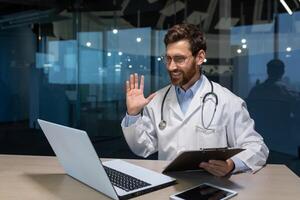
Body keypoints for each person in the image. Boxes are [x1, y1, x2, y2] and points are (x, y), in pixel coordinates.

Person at [121, 24, 269, 177]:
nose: (171, 67)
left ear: (200, 57)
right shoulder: (157, 100)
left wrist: (231, 165)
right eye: (168, 59)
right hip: (168, 184)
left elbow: (257, 147)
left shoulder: (228, 101)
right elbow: (143, 148)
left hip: (211, 187)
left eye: (179, 59)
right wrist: (133, 114)